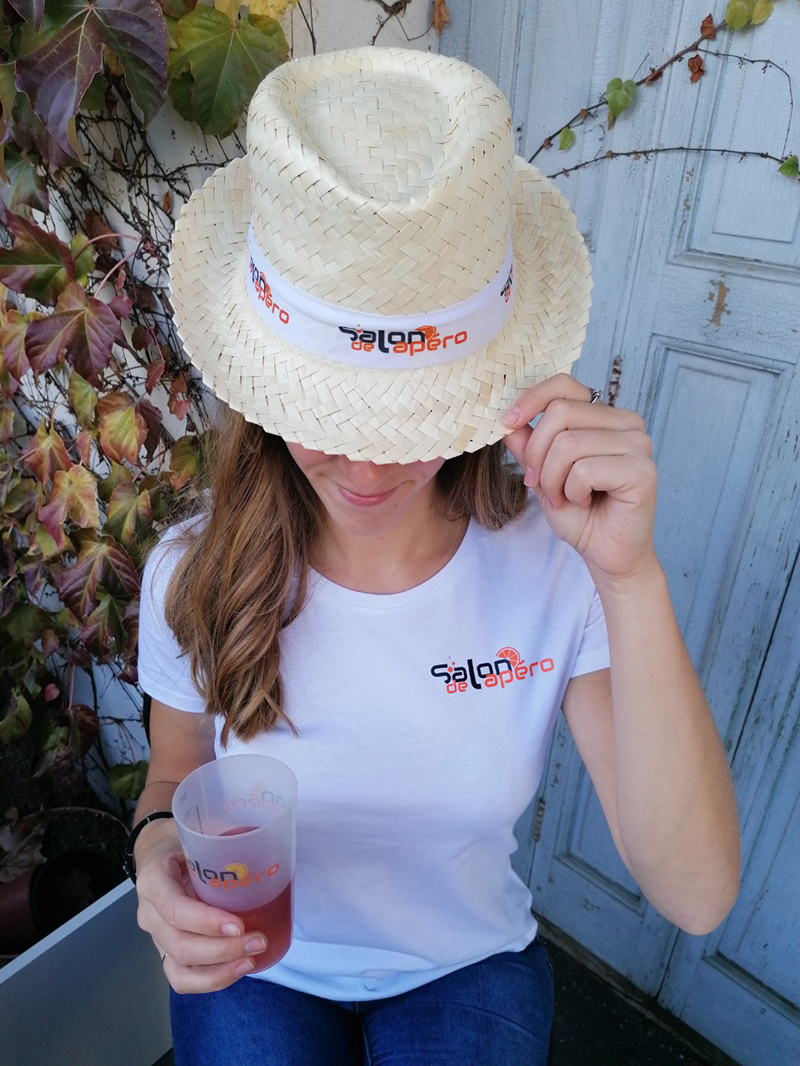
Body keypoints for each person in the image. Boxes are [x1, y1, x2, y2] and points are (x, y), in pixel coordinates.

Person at [130, 47, 740, 1066]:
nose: (369, 467)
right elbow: (173, 774)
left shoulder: (559, 564)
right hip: (260, 960)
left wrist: (630, 579)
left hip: (466, 964)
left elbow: (697, 893)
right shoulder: (191, 573)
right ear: (265, 391)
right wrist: (154, 855)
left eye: (412, 417)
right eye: (331, 414)